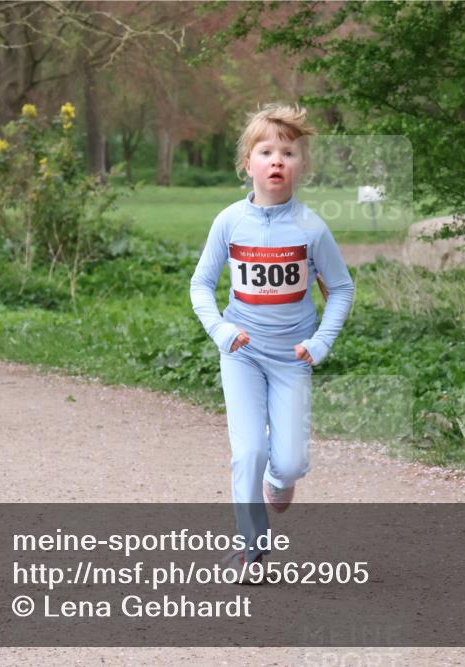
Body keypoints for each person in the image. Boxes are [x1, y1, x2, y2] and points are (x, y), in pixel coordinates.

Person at [190, 103, 355, 578]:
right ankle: (251, 549)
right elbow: (201, 285)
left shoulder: (311, 228)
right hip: (241, 352)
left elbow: (341, 287)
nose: (277, 160)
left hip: (292, 356)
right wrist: (221, 330)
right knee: (248, 451)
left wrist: (321, 341)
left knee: (287, 462)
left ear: (301, 166)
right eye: (266, 151)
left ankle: (278, 481)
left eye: (288, 152)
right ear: (249, 164)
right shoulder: (228, 222)